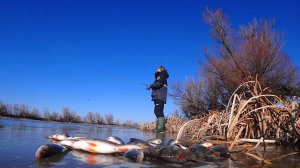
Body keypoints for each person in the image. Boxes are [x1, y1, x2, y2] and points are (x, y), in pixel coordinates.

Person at [147, 66, 169, 133]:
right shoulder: (162, 76)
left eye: (157, 69)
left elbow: (158, 84)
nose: (156, 70)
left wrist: (150, 85)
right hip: (158, 96)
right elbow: (157, 85)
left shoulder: (161, 76)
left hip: (159, 97)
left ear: (160, 69)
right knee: (158, 111)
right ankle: (159, 128)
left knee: (158, 111)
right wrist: (151, 87)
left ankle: (160, 129)